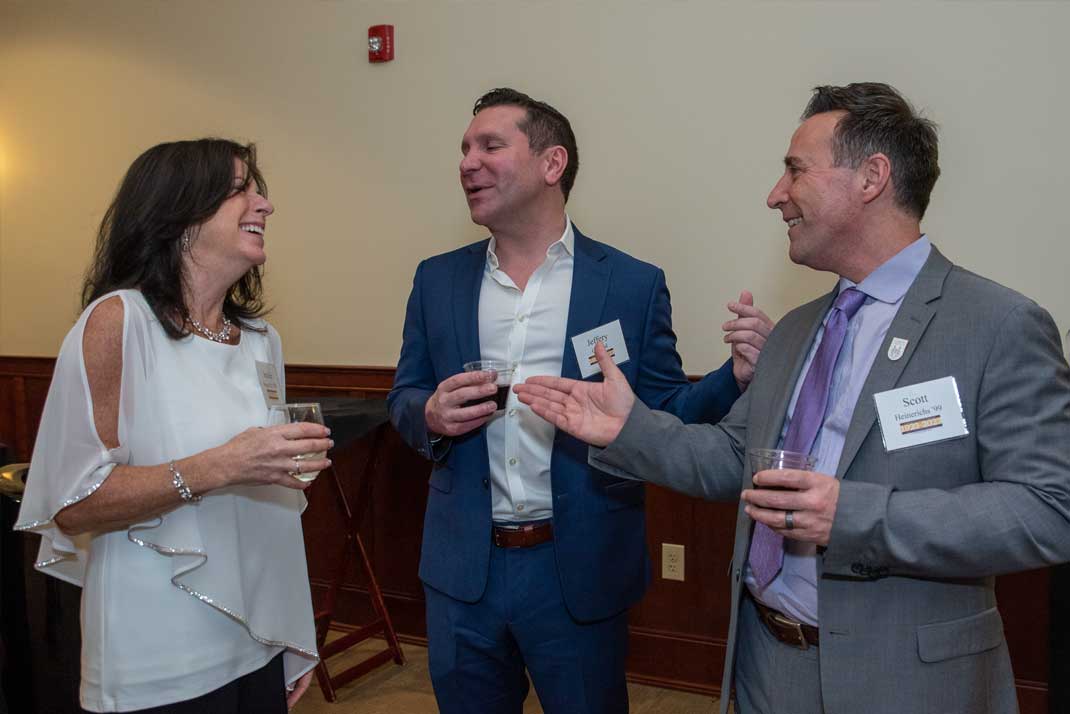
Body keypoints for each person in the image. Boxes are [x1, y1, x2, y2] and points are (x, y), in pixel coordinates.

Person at [516, 82, 1070, 714]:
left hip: (904, 682)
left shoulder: (997, 325)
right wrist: (628, 430)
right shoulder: (799, 331)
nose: (775, 195)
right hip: (763, 664)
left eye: (795, 170)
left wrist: (854, 516)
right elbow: (735, 459)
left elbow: (1050, 509)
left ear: (871, 177)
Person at [387, 87, 772, 713]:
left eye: (490, 145)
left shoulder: (630, 284)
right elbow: (403, 394)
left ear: (551, 163)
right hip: (462, 571)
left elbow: (665, 410)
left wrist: (735, 375)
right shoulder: (437, 279)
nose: (467, 162)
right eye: (463, 148)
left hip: (577, 569)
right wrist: (428, 413)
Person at [15, 139, 333, 713]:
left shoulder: (262, 340)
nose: (265, 205)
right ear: (179, 213)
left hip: (255, 635)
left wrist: (288, 636)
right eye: (242, 189)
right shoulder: (118, 322)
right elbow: (72, 504)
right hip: (156, 648)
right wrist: (222, 465)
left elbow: (268, 507)